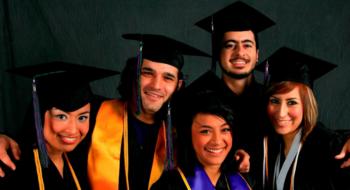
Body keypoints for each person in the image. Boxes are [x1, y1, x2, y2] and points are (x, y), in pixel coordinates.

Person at [176, 1, 350, 188]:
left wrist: (344, 139)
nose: (239, 52)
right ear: (218, 53)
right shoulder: (196, 98)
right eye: (230, 45)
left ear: (257, 54)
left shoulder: (268, 100)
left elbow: (309, 127)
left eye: (247, 45)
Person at [86, 33, 210, 190]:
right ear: (133, 74)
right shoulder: (94, 115)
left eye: (168, 77)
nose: (156, 85)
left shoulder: (179, 135)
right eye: (148, 73)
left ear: (178, 85)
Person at [0, 61, 118, 189]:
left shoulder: (83, 160)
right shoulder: (11, 164)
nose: (73, 130)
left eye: (82, 117)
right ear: (38, 114)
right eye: (61, 117)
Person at [258, 47, 350, 189]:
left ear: (306, 106)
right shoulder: (267, 143)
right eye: (274, 101)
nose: (281, 113)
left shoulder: (325, 144)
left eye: (292, 102)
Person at [151, 91, 252, 190]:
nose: (217, 141)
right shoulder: (167, 186)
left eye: (225, 129)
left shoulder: (245, 181)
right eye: (206, 131)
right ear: (187, 134)